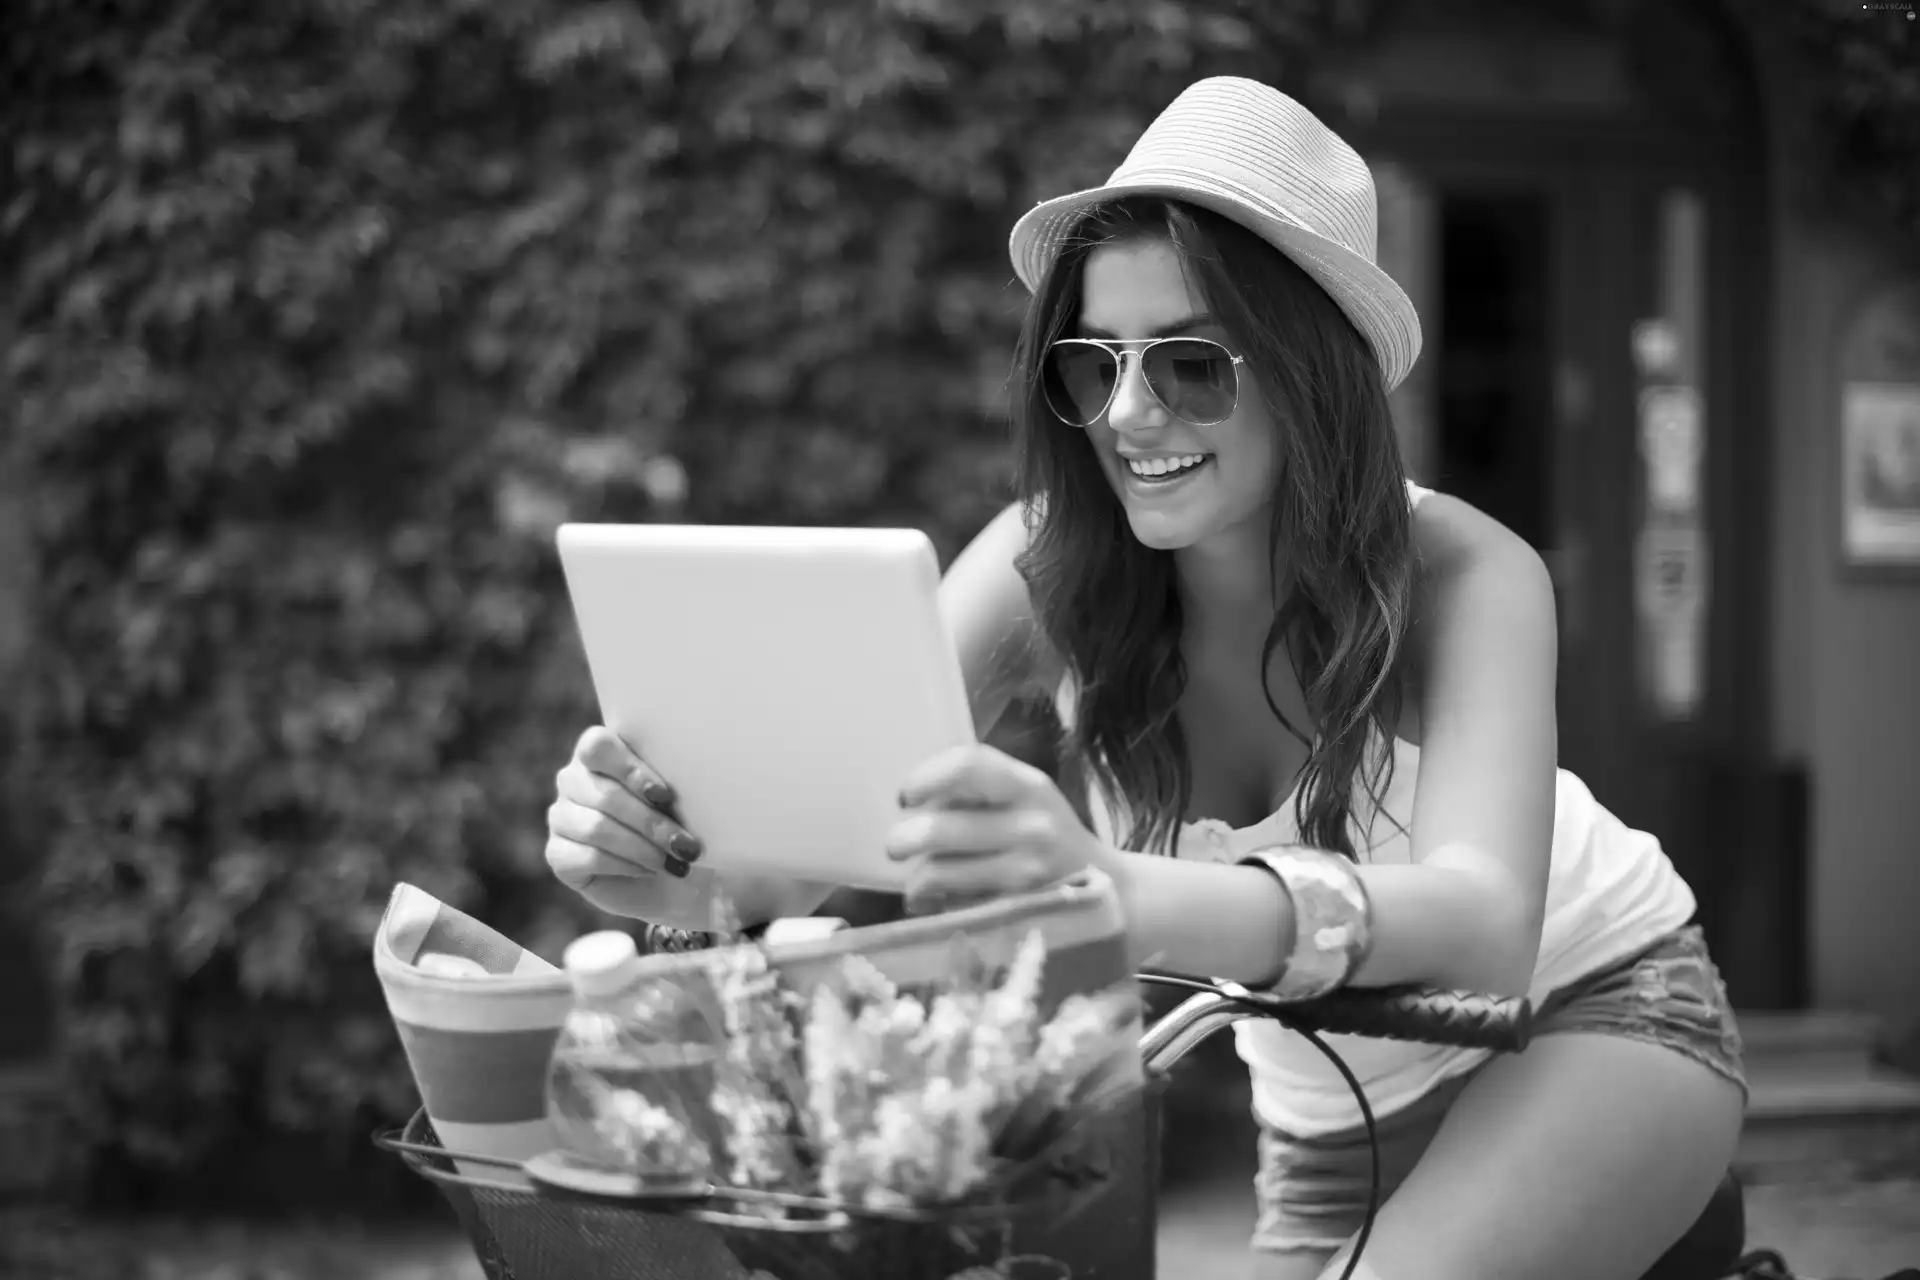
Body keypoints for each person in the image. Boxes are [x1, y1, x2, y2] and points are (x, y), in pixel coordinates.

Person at [544, 77, 1746, 1280]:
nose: (1127, 412)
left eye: (1190, 365)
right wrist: (654, 855)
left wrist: (1117, 891)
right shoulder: (1043, 569)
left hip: (1593, 1015)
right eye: (1090, 365)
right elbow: (796, 858)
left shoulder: (1466, 571)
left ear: (1307, 371)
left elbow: (1486, 923)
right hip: (1331, 1127)